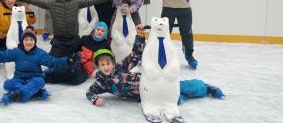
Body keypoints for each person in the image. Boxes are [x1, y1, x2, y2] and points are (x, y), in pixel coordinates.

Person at [18, 0, 121, 85]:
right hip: (59, 42)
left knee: (73, 66)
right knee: (54, 64)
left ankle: (70, 74)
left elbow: (92, 0)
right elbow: (37, 1)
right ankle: (50, 75)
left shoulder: (75, 3)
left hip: (73, 41)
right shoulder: (52, 5)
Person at [86, 49, 225, 106]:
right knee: (175, 100)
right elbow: (89, 92)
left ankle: (206, 88)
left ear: (113, 62)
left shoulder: (121, 67)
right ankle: (181, 96)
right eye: (102, 64)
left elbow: (136, 53)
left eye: (108, 63)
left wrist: (140, 35)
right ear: (98, 67)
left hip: (151, 82)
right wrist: (95, 99)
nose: (106, 67)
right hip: (146, 97)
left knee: (181, 87)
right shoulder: (101, 83)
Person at [0, 27, 78, 106]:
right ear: (22, 41)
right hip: (19, 79)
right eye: (26, 39)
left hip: (34, 78)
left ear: (35, 41)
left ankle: (15, 95)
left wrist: (68, 60)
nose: (29, 42)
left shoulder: (40, 53)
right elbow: (1, 56)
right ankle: (37, 93)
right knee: (7, 84)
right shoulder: (16, 52)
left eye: (31, 39)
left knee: (40, 81)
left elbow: (53, 62)